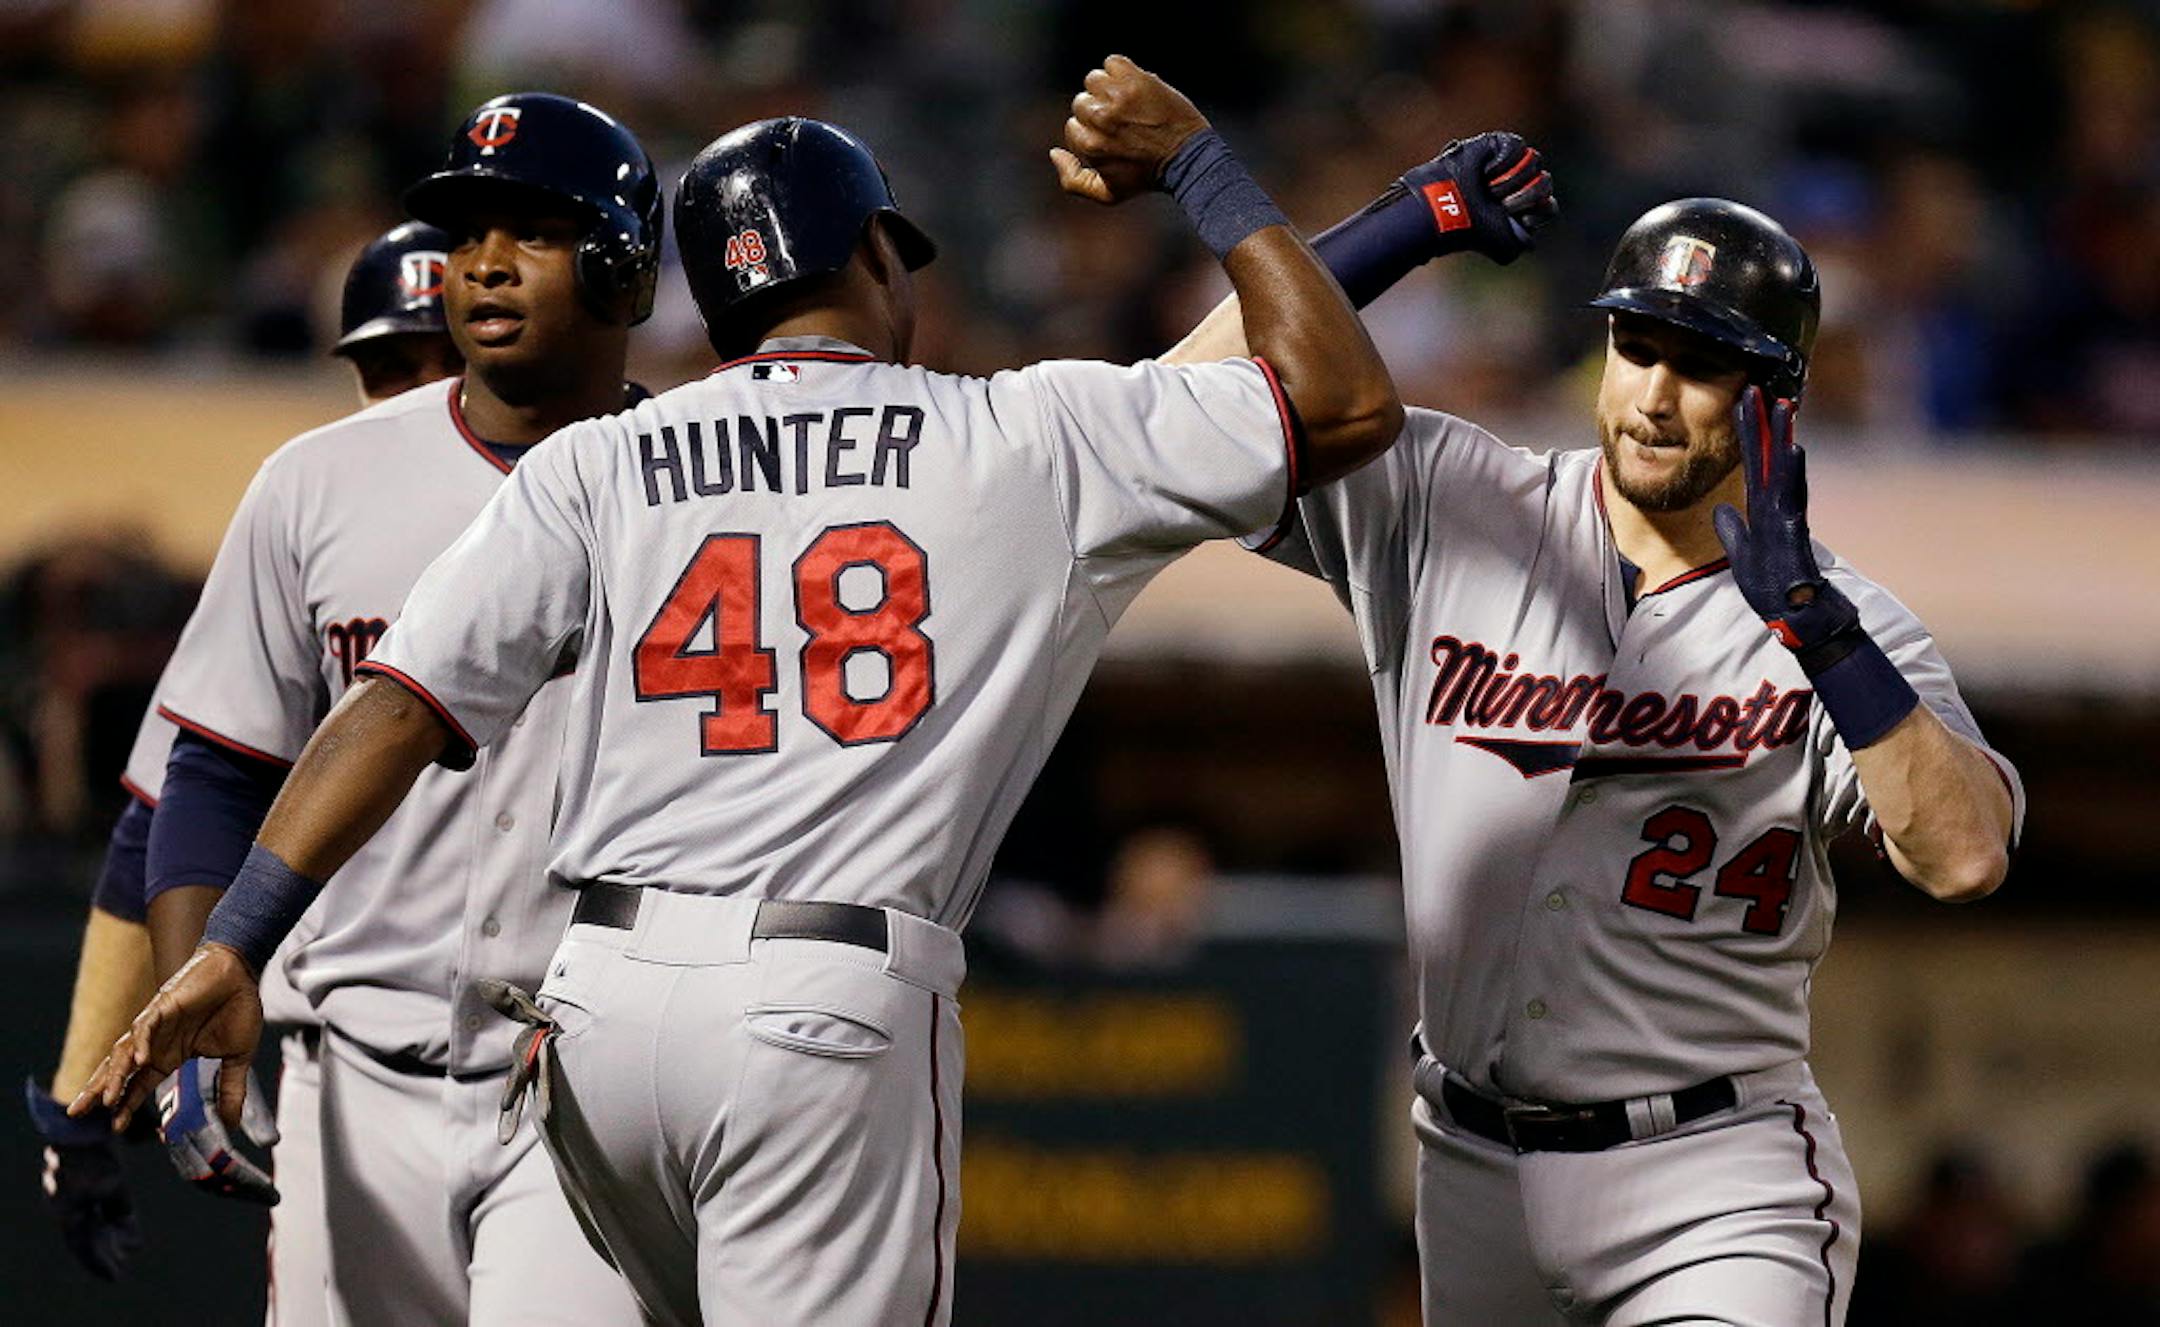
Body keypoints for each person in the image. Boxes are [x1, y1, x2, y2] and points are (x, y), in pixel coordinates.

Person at [72, 55, 1445, 1325]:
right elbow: (1340, 404)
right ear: (868, 256)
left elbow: (390, 704)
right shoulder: (1014, 427)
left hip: (594, 1007)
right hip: (819, 997)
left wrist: (238, 937)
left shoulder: (604, 459)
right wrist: (1206, 168)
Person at [1168, 195, 2022, 1324]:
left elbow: (1965, 856)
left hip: (1714, 1175)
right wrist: (1409, 224)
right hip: (1468, 1162)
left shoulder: (1844, 620)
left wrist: (1824, 637)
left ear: (1777, 400)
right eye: (1638, 347)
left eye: (1704, 364)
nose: (1657, 396)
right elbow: (1180, 415)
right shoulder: (1455, 500)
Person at [76, 91, 660, 1326]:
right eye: (468, 232)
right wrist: (191, 1000)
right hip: (352, 1076)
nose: (486, 263)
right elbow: (216, 770)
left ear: (622, 262)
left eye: (534, 230)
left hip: (596, 1080)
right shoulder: (319, 478)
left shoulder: (700, 488)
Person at [25, 218, 461, 1320]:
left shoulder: (599, 502)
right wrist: (85, 1100)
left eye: (435, 361)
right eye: (386, 367)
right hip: (356, 1048)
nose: (412, 391)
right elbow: (165, 812)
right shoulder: (316, 512)